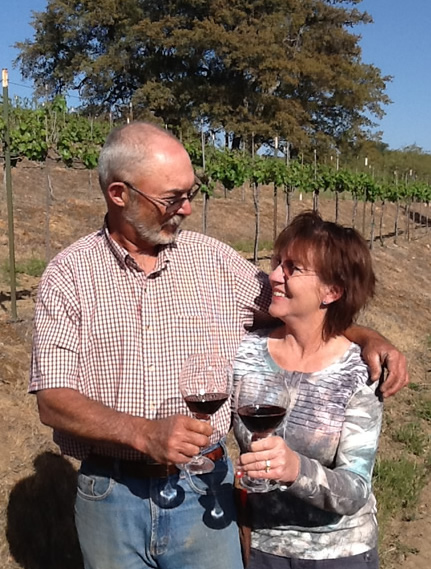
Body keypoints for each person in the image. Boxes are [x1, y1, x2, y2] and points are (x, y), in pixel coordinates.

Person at [29, 122, 407, 569]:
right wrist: (144, 433)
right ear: (119, 194)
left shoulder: (214, 261)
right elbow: (52, 401)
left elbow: (304, 309)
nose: (187, 208)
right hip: (111, 496)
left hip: (203, 491)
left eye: (191, 192)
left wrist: (366, 336)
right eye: (172, 198)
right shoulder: (68, 275)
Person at [234, 211, 386, 569]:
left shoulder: (358, 372)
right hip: (260, 550)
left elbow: (355, 489)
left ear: (332, 291)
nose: (273, 276)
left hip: (340, 553)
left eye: (293, 269)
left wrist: (295, 470)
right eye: (276, 263)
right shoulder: (245, 352)